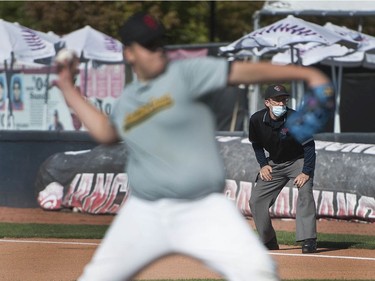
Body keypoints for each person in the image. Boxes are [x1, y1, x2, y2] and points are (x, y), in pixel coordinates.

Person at [55, 12, 331, 281]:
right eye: (149, 46)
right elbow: (105, 132)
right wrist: (68, 88)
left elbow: (241, 71)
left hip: (202, 208)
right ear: (129, 54)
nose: (158, 51)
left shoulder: (186, 73)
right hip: (144, 212)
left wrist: (305, 74)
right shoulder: (128, 100)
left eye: (160, 43)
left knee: (258, 272)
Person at [248, 84, 317, 254]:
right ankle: (268, 240)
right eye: (277, 100)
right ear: (267, 102)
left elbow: (309, 146)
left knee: (305, 192)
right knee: (256, 200)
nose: (281, 103)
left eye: (284, 100)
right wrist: (263, 164)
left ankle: (309, 239)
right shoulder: (256, 120)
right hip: (275, 163)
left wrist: (306, 172)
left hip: (298, 161)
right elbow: (256, 145)